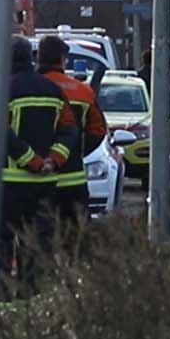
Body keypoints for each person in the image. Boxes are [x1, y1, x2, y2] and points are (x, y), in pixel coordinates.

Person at [0, 36, 76, 298]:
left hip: (10, 182)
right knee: (37, 244)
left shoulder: (3, 89)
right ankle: (31, 299)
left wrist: (30, 160)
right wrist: (52, 160)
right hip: (45, 183)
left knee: (4, 241)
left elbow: (1, 133)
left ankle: (3, 298)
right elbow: (69, 131)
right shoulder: (54, 90)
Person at [37, 36, 104, 238]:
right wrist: (78, 150)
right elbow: (98, 130)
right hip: (74, 181)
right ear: (63, 59)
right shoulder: (83, 91)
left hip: (38, 179)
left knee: (39, 242)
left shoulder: (30, 86)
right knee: (76, 243)